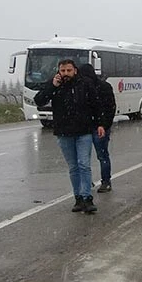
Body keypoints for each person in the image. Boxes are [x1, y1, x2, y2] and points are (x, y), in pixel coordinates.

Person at [34, 59, 104, 213]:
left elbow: (96, 104)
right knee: (73, 167)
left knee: (84, 164)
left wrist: (100, 124)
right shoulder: (54, 85)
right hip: (64, 132)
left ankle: (87, 197)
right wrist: (52, 86)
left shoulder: (85, 84)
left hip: (83, 131)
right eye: (63, 70)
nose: (66, 73)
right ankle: (78, 198)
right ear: (59, 71)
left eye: (69, 70)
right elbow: (39, 100)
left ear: (75, 71)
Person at [79, 63, 116, 192]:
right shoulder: (84, 87)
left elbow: (110, 108)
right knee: (91, 156)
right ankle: (99, 181)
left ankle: (104, 181)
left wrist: (104, 125)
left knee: (98, 155)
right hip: (87, 127)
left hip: (97, 126)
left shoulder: (101, 87)